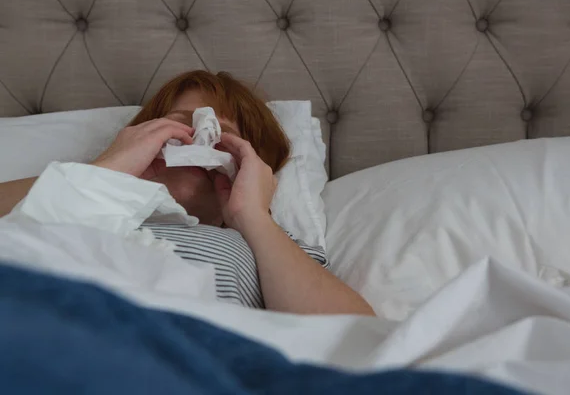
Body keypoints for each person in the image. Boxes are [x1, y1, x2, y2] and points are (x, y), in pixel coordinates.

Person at [0, 70, 374, 316]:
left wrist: (254, 217)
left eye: (222, 135)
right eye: (177, 126)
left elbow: (353, 334)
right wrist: (107, 171)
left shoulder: (273, 244)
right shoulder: (70, 190)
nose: (197, 137)